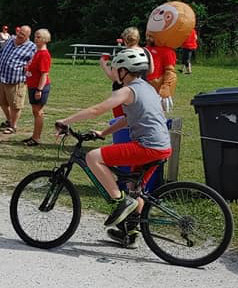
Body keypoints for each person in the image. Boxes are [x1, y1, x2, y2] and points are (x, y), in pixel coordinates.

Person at [56, 49, 171, 248]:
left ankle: (120, 201)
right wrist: (103, 132)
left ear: (124, 71)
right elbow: (128, 118)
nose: (114, 73)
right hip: (162, 146)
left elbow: (97, 110)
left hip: (147, 146)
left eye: (116, 69)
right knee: (134, 190)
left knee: (93, 157)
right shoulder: (147, 88)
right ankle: (130, 234)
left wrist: (65, 121)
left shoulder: (127, 91)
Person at [101, 27, 153, 118]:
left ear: (124, 39)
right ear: (138, 38)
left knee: (122, 124)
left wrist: (104, 65)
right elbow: (151, 70)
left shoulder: (122, 55)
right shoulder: (146, 52)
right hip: (142, 93)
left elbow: (115, 78)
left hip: (122, 94)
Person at [0, 25, 36, 134]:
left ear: (27, 36)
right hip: (3, 77)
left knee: (15, 105)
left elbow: (33, 62)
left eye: (22, 35)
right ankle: (9, 120)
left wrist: (28, 69)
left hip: (17, 80)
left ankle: (13, 126)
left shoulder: (31, 47)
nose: (19, 36)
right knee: (1, 102)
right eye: (19, 33)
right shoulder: (10, 41)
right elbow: (1, 55)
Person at [24, 29, 52, 147]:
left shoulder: (44, 54)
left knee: (38, 112)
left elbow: (44, 74)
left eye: (39, 37)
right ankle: (34, 135)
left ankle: (37, 138)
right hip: (32, 85)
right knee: (35, 111)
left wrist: (39, 90)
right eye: (35, 36)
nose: (36, 39)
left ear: (45, 39)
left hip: (39, 87)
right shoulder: (37, 52)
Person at [145, 34, 178, 112]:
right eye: (148, 36)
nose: (148, 38)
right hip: (143, 87)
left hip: (157, 90)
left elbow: (170, 72)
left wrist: (166, 88)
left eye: (151, 36)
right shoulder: (144, 50)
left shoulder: (167, 52)